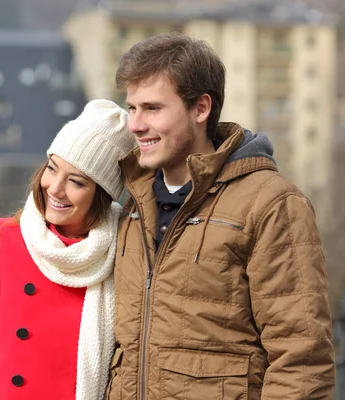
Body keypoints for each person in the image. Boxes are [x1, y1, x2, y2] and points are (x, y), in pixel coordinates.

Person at [105, 33, 335, 400]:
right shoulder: (132, 207)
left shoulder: (270, 203)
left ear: (201, 108)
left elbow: (301, 360)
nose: (135, 125)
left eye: (152, 108)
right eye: (131, 108)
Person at [0, 99, 136, 400]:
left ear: (102, 196)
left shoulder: (121, 258)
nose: (54, 188)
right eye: (52, 168)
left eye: (75, 182)